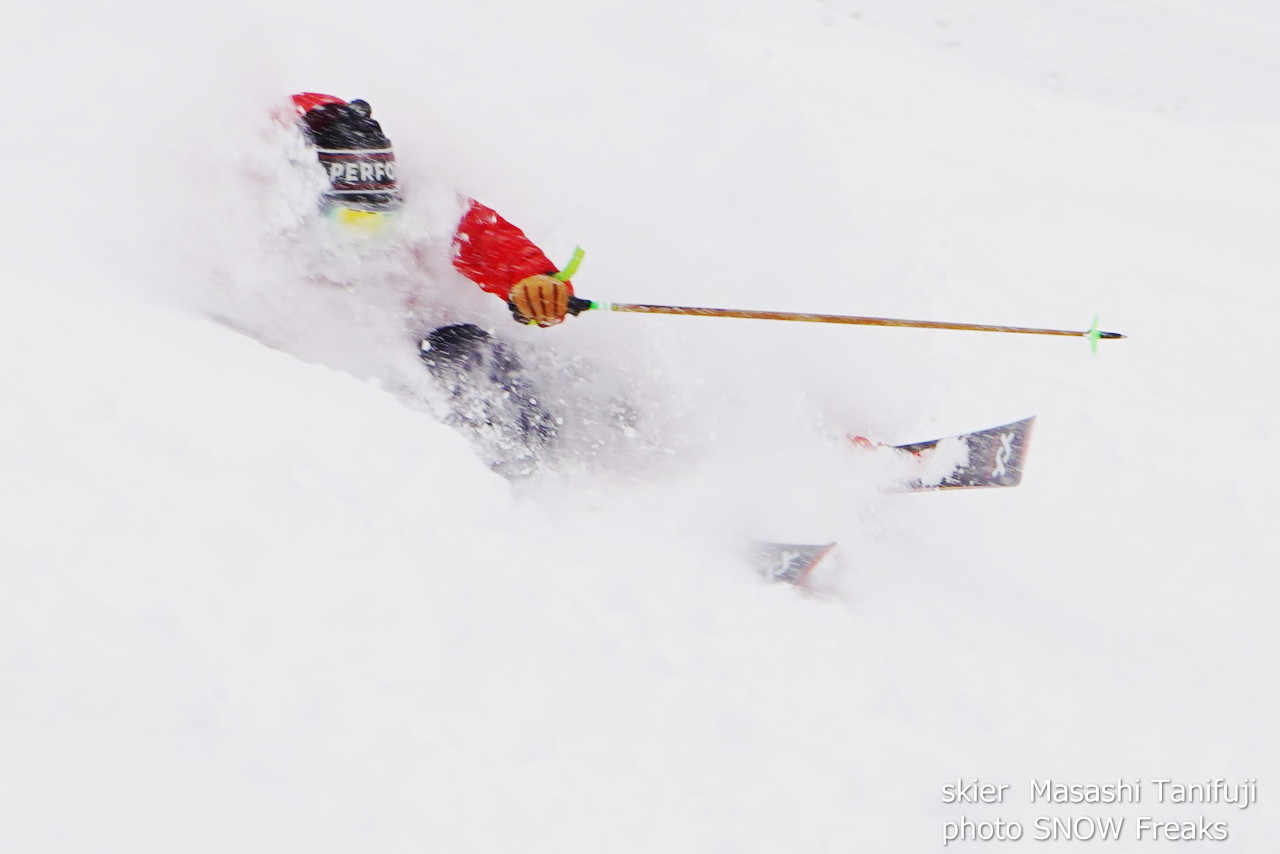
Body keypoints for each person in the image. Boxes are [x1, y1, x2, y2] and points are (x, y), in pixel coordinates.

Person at [289, 92, 593, 474]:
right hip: (341, 379)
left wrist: (532, 280)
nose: (367, 237)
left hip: (425, 346)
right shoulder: (247, 218)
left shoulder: (417, 200)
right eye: (352, 220)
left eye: (380, 218)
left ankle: (559, 451)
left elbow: (483, 237)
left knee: (467, 349)